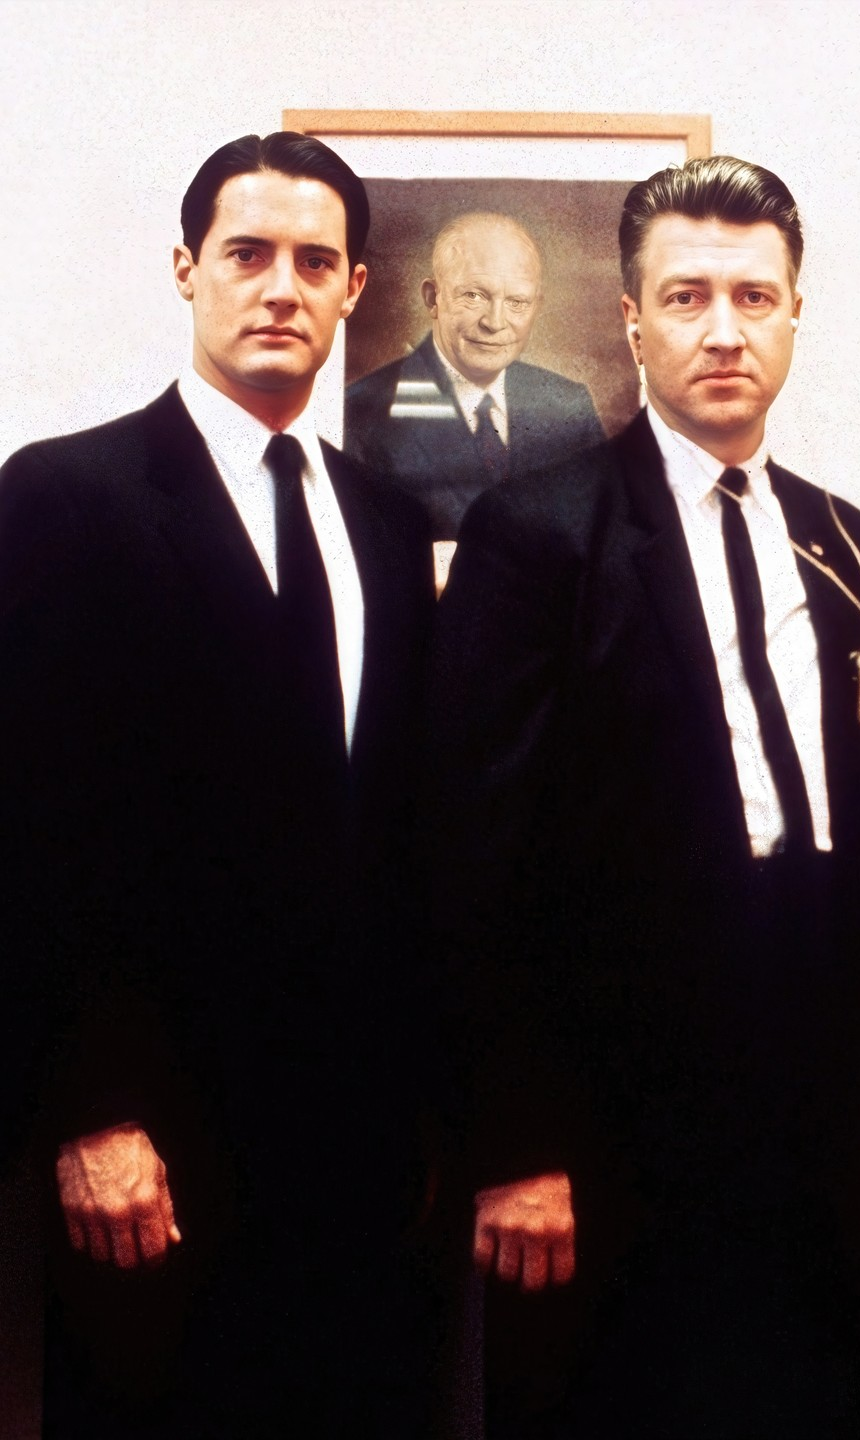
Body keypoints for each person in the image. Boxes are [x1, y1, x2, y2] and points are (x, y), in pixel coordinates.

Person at [429, 155, 860, 1439]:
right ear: (631, 320)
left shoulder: (852, 549)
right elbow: (470, 857)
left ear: (794, 314)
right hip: (604, 1135)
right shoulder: (538, 533)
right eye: (687, 297)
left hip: (815, 1119)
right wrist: (512, 1146)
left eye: (754, 298)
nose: (724, 331)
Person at [0, 132, 437, 1437]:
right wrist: (90, 1115)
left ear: (355, 288)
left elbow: (401, 835)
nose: (281, 288)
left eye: (314, 262)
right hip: (151, 1158)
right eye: (248, 254)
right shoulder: (63, 495)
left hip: (363, 1164)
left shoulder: (386, 523)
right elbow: (25, 825)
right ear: (187, 269)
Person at [344, 211, 605, 543]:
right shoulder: (361, 414)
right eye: (474, 296)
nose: (495, 322)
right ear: (432, 298)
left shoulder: (570, 407)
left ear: (537, 306)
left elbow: (606, 543)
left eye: (517, 302)